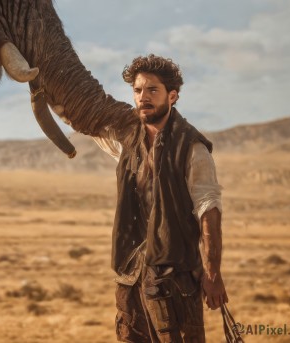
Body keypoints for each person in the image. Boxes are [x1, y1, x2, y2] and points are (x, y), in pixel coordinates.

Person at [93, 54, 228, 342]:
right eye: (138, 90)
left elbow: (209, 211)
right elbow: (85, 121)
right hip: (131, 277)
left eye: (153, 90)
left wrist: (213, 273)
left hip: (175, 280)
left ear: (173, 95)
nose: (143, 97)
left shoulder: (191, 148)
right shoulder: (131, 142)